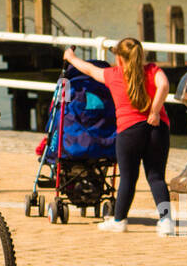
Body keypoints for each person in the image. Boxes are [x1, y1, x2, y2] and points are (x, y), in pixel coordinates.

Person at [63, 39, 174, 235]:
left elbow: (88, 70)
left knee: (128, 178)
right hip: (158, 129)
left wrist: (70, 57)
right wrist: (155, 112)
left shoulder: (114, 74)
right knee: (156, 177)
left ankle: (119, 220)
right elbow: (164, 86)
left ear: (120, 58)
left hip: (130, 131)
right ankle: (166, 222)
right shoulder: (152, 70)